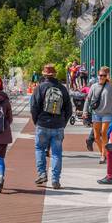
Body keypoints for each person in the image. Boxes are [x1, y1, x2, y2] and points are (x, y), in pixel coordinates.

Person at [29, 62, 73, 190]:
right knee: (56, 154)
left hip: (42, 124)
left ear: (44, 74)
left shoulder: (40, 88)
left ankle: (42, 174)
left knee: (39, 149)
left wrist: (37, 121)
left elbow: (33, 107)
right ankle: (55, 180)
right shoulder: (62, 88)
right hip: (58, 125)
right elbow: (69, 109)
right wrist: (62, 123)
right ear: (54, 74)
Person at [86, 66, 112, 181]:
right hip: (96, 114)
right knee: (96, 137)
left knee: (104, 133)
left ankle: (103, 155)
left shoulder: (110, 87)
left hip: (107, 113)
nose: (102, 77)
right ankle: (102, 153)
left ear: (106, 76)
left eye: (104, 76)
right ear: (98, 76)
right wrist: (85, 111)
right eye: (100, 75)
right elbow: (88, 100)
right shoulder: (93, 87)